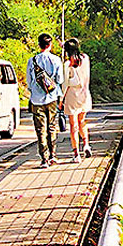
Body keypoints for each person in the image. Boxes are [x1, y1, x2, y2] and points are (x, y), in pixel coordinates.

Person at [27, 33, 64, 167]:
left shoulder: (32, 60)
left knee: (40, 129)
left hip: (36, 100)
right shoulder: (56, 60)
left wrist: (37, 89)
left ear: (39, 45)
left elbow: (29, 82)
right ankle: (53, 155)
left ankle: (44, 158)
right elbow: (60, 80)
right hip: (52, 98)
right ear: (50, 45)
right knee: (52, 126)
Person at [62, 37, 92, 162]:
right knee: (82, 121)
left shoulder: (68, 64)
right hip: (84, 94)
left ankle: (76, 154)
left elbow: (65, 83)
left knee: (73, 125)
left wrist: (60, 99)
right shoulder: (85, 59)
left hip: (72, 95)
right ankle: (86, 144)